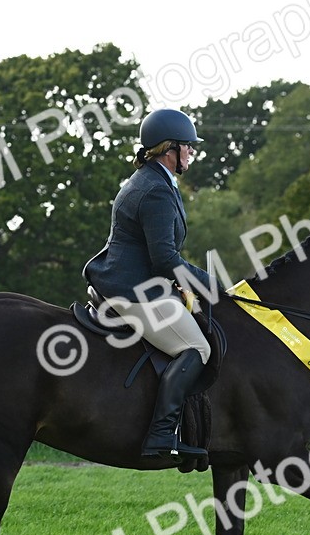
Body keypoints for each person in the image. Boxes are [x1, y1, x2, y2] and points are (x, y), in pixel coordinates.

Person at [82, 109, 212, 463]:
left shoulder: (152, 179)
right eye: (188, 147)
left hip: (130, 280)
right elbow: (166, 260)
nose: (191, 154)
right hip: (134, 290)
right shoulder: (154, 189)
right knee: (197, 349)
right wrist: (210, 282)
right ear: (170, 150)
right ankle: (160, 436)